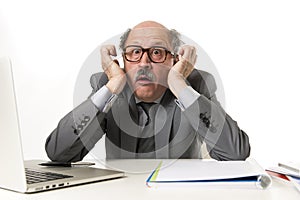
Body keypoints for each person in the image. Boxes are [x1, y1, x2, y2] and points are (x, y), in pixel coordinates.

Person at [45, 21, 250, 162]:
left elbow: (235, 153)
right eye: (134, 52)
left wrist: (180, 85)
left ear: (175, 60)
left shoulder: (196, 84)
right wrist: (111, 86)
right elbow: (58, 153)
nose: (144, 63)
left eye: (157, 53)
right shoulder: (107, 86)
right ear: (123, 60)